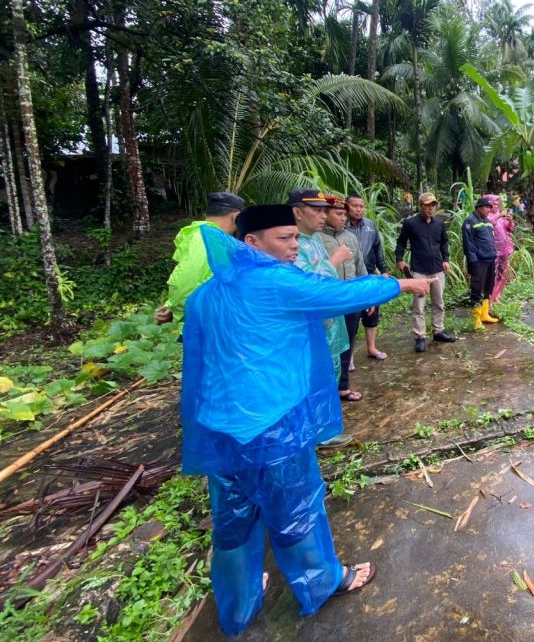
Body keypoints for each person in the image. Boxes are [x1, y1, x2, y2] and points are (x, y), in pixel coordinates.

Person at [181, 204, 433, 636]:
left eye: (295, 237)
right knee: (296, 510)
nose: (295, 246)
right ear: (252, 243)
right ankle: (325, 580)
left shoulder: (207, 291)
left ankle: (239, 602)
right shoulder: (276, 281)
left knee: (232, 519)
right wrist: (404, 283)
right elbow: (340, 295)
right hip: (271, 428)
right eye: (284, 238)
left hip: (219, 429)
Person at [288, 188, 362, 405]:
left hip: (331, 319)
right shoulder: (292, 243)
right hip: (312, 326)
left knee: (331, 369)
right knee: (312, 377)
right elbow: (304, 285)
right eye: (317, 211)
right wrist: (335, 260)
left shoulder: (314, 240)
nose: (323, 216)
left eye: (325, 211)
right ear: (297, 213)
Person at [154, 191, 245, 331]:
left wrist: (172, 304)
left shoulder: (203, 235)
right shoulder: (207, 239)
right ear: (236, 216)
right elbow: (185, 281)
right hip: (205, 325)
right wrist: (174, 309)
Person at [396, 192, 456, 353]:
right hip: (419, 270)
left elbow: (444, 242)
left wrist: (446, 259)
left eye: (433, 205)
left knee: (439, 302)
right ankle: (420, 336)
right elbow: (401, 242)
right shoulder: (411, 223)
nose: (431, 208)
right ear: (420, 206)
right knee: (419, 305)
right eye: (427, 205)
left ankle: (438, 331)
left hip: (437, 269)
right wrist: (399, 259)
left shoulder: (439, 223)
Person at [320, 196, 366, 383]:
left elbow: (360, 266)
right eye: (338, 214)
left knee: (349, 340)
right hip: (330, 301)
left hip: (352, 299)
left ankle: (344, 385)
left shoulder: (350, 237)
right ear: (325, 214)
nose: (343, 218)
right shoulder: (317, 239)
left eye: (344, 214)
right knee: (329, 344)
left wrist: (366, 295)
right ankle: (329, 385)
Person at [345, 194, 389, 360]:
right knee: (351, 318)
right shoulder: (343, 226)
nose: (359, 209)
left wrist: (383, 269)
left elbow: (377, 248)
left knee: (372, 314)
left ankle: (371, 348)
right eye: (355, 206)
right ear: (347, 207)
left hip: (370, 274)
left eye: (361, 206)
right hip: (350, 277)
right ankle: (348, 358)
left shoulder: (370, 225)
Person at [462, 196, 499, 330]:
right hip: (478, 261)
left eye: (490, 208)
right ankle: (476, 319)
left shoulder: (487, 221)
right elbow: (468, 244)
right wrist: (473, 262)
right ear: (478, 208)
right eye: (486, 207)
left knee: (488, 286)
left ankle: (485, 314)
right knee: (477, 288)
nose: (489, 210)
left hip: (490, 259)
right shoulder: (470, 221)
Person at [485, 194, 515, 305]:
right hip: (494, 251)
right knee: (493, 274)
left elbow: (510, 229)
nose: (496, 206)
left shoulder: (500, 215)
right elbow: (490, 223)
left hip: (504, 250)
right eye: (494, 204)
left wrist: (510, 221)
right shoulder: (487, 216)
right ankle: (489, 298)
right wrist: (499, 216)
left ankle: (497, 296)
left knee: (502, 274)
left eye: (498, 204)